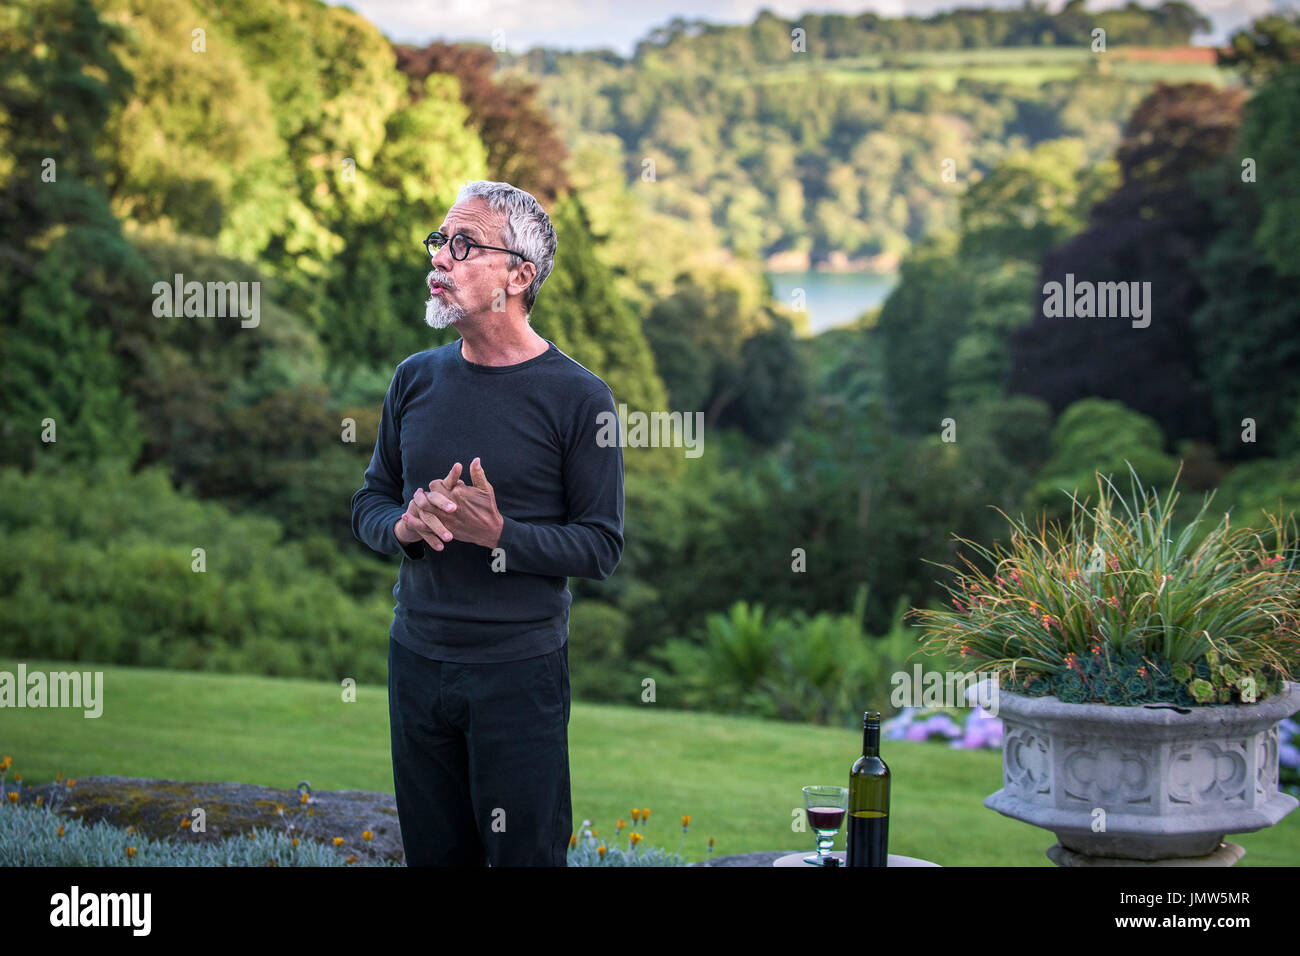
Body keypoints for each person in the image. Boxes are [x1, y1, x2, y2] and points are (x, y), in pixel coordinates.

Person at [350, 180, 624, 866]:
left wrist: (499, 535)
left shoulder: (580, 397)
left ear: (519, 276)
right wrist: (404, 527)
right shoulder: (414, 379)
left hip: (518, 677)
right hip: (416, 662)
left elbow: (600, 547)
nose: (440, 258)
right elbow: (369, 502)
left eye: (463, 244)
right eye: (439, 241)